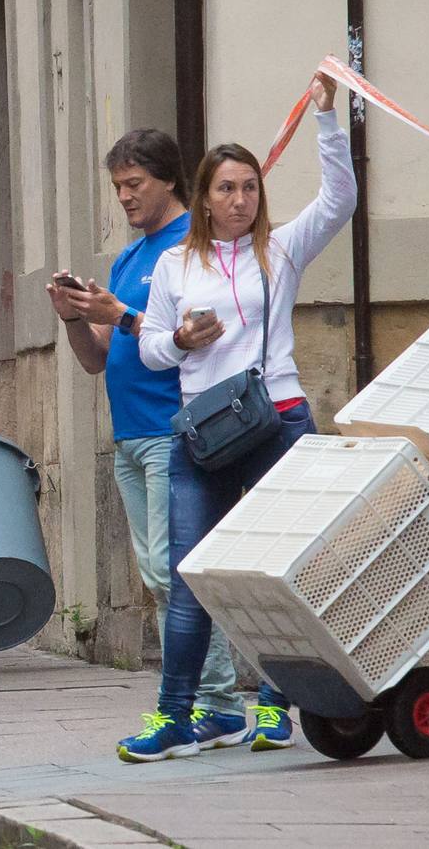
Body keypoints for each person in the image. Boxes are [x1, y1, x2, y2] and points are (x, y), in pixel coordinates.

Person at [117, 74, 354, 762]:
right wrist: (182, 342)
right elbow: (152, 346)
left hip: (277, 420)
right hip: (203, 433)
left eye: (249, 187)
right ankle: (173, 717)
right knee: (191, 575)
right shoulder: (173, 264)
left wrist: (326, 119)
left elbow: (340, 200)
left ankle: (277, 703)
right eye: (226, 188)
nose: (240, 199)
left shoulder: (280, 249)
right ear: (203, 196)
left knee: (279, 567)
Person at [45, 129, 249, 749]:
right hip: (131, 436)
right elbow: (96, 358)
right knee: (159, 575)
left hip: (173, 431)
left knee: (172, 571)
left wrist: (118, 315)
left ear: (168, 180)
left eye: (134, 185)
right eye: (118, 188)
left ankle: (216, 704)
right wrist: (78, 318)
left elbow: (196, 334)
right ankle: (202, 702)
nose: (125, 198)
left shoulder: (193, 251)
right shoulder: (129, 259)